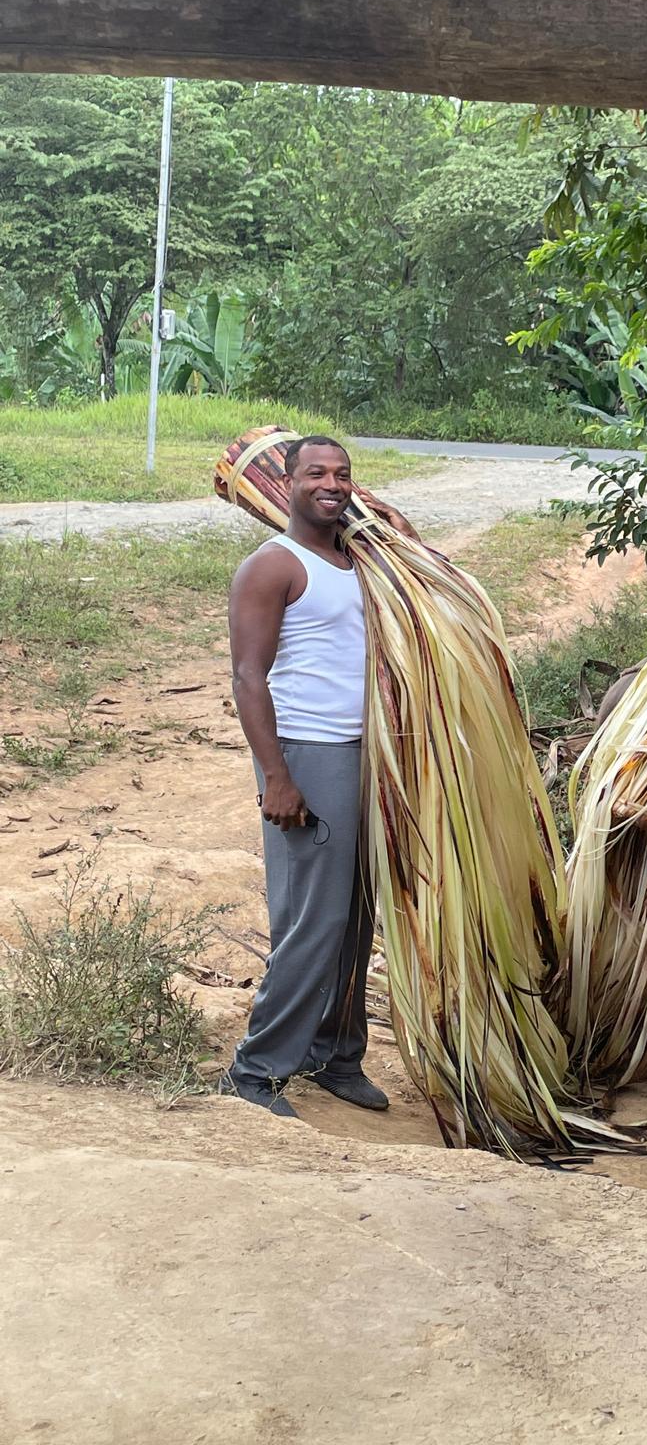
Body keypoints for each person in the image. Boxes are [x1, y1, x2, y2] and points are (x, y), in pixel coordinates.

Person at [221, 434, 415, 1118]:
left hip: (367, 752)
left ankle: (335, 1054)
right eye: (316, 474)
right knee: (314, 918)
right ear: (288, 483)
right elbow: (248, 677)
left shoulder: (359, 561)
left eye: (342, 474)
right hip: (308, 751)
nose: (331, 484)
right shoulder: (274, 566)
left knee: (357, 919)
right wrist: (276, 776)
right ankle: (256, 1070)